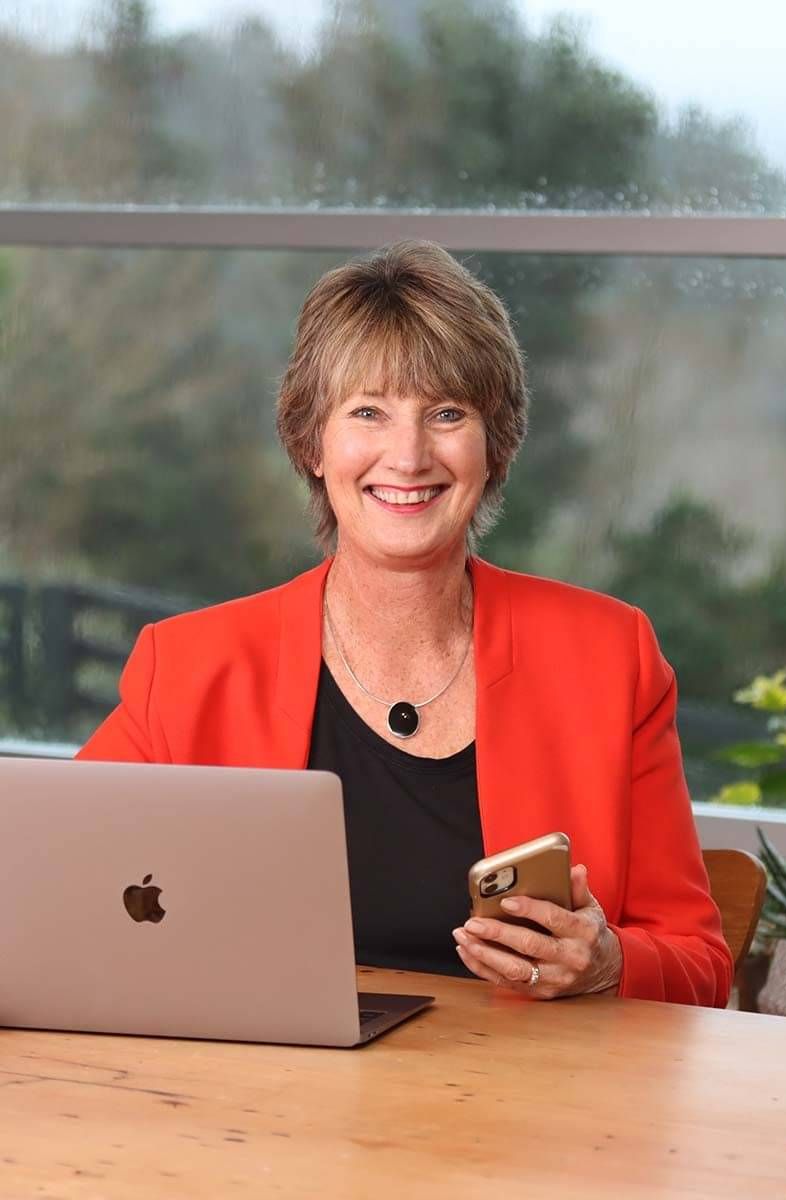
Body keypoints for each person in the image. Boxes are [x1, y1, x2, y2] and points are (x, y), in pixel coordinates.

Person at [77, 240, 733, 1007]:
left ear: (495, 445)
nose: (409, 454)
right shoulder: (187, 666)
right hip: (263, 1102)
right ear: (312, 443)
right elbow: (55, 883)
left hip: (525, 1110)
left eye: (447, 414)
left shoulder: (608, 656)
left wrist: (609, 963)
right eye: (368, 413)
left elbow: (700, 964)